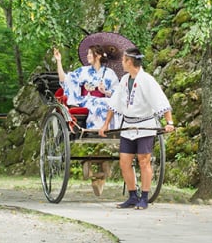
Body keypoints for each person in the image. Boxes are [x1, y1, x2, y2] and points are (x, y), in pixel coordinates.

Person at [99, 47, 175, 210]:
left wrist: (169, 122)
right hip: (127, 126)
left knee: (144, 161)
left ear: (129, 61)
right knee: (124, 161)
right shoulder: (125, 80)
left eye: (123, 60)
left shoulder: (147, 80)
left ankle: (144, 197)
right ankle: (133, 196)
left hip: (145, 125)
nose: (121, 63)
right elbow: (114, 103)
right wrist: (106, 124)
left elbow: (161, 101)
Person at [53, 45, 119, 129]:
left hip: (104, 98)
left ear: (99, 56)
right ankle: (96, 129)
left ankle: (111, 128)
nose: (88, 55)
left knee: (111, 103)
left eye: (91, 53)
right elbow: (65, 80)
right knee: (99, 103)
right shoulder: (83, 71)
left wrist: (104, 92)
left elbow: (117, 93)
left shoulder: (110, 73)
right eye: (88, 53)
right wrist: (59, 61)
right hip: (86, 100)